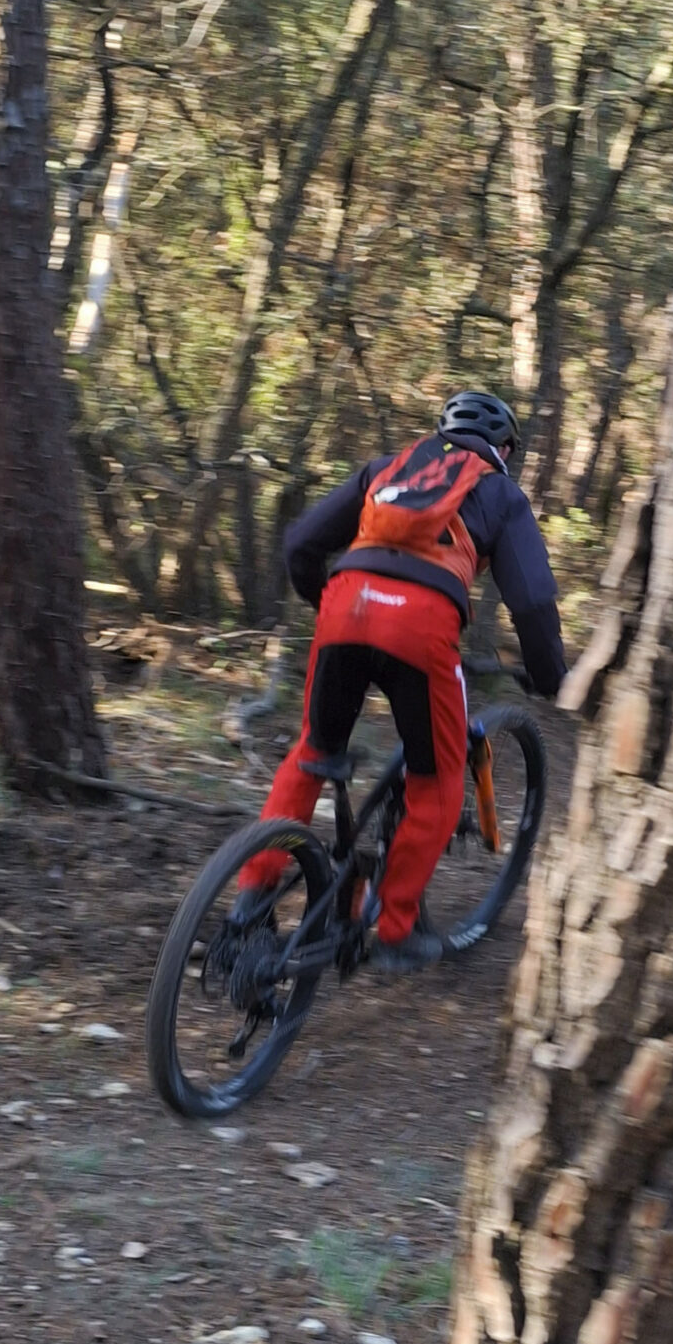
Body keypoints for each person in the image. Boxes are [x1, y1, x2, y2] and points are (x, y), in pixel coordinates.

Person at [238, 391, 567, 974]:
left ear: (443, 429)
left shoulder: (388, 468)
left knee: (313, 753)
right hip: (422, 628)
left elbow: (301, 544)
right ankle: (395, 927)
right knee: (437, 784)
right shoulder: (500, 492)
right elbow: (534, 603)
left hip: (345, 606)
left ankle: (250, 900)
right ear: (504, 449)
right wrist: (550, 677)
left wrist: (334, 607)